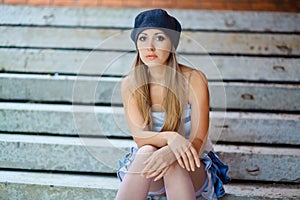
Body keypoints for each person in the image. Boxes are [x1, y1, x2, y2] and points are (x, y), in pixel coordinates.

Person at [116, 9, 230, 200]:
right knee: (145, 151)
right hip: (151, 169)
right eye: (143, 38)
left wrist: (171, 152)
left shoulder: (194, 79)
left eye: (159, 38)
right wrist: (172, 138)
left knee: (174, 161)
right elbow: (140, 138)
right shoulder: (130, 83)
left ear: (172, 44)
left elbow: (198, 140)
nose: (150, 47)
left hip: (192, 166)